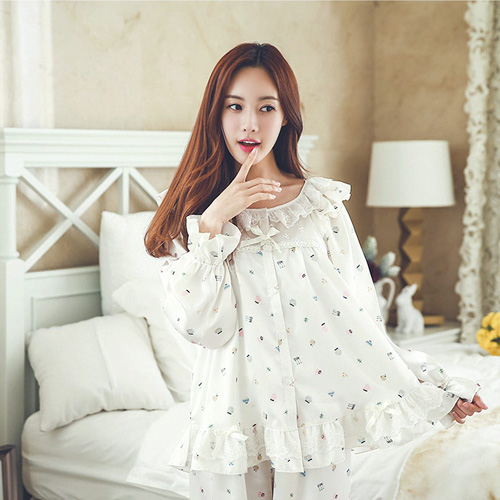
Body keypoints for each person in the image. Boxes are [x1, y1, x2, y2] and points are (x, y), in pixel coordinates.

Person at [144, 42, 488, 500]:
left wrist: (433, 387)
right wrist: (213, 224)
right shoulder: (189, 216)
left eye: (266, 107)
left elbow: (358, 322)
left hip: (315, 426)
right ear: (215, 114)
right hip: (231, 429)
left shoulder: (319, 206)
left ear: (287, 116)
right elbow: (203, 327)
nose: (250, 123)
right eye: (235, 106)